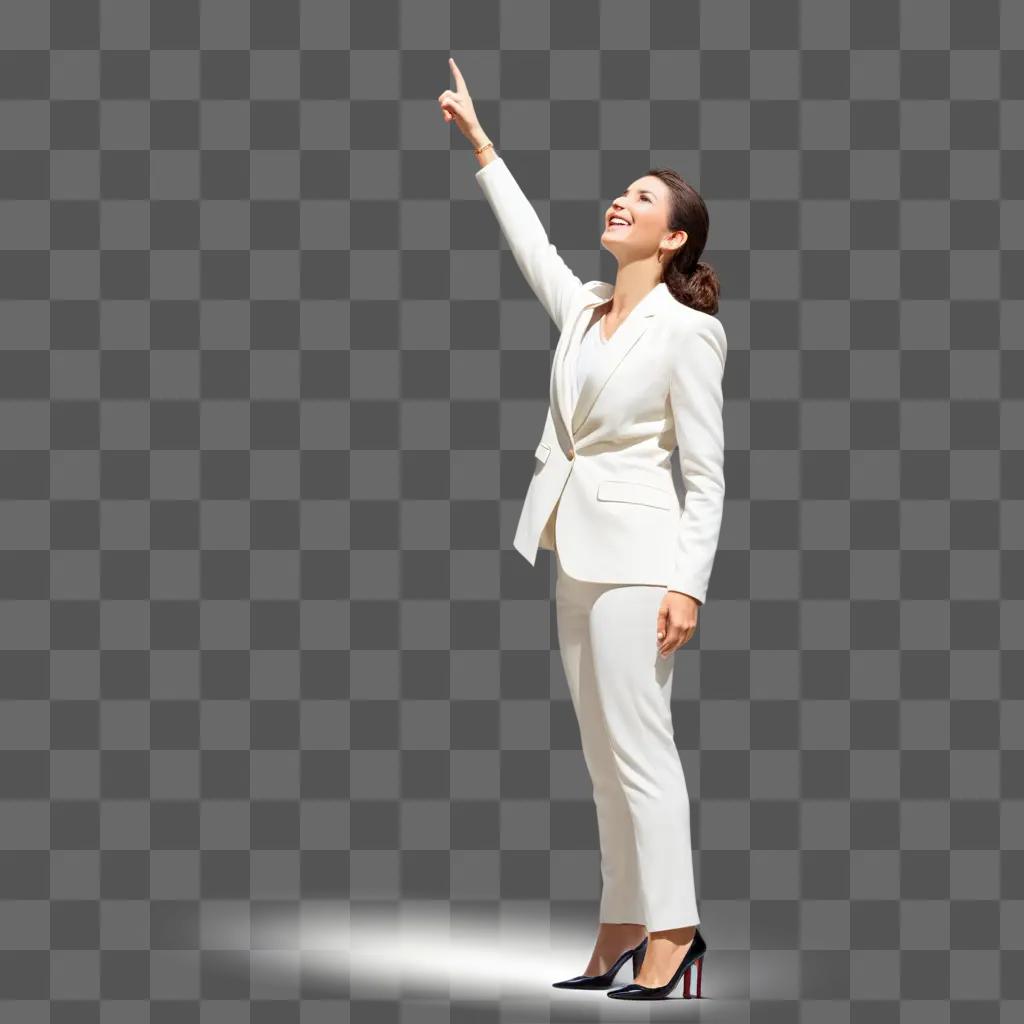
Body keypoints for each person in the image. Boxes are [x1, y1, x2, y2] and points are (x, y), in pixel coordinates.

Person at [439, 57, 724, 1001]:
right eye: (620, 192)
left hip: (644, 563)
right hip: (572, 549)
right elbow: (527, 242)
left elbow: (706, 470)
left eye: (639, 199)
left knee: (643, 751)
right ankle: (621, 924)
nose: (619, 201)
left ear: (671, 235)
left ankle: (676, 932)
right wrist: (482, 144)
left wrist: (689, 583)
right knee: (603, 758)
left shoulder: (688, 332)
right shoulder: (586, 312)